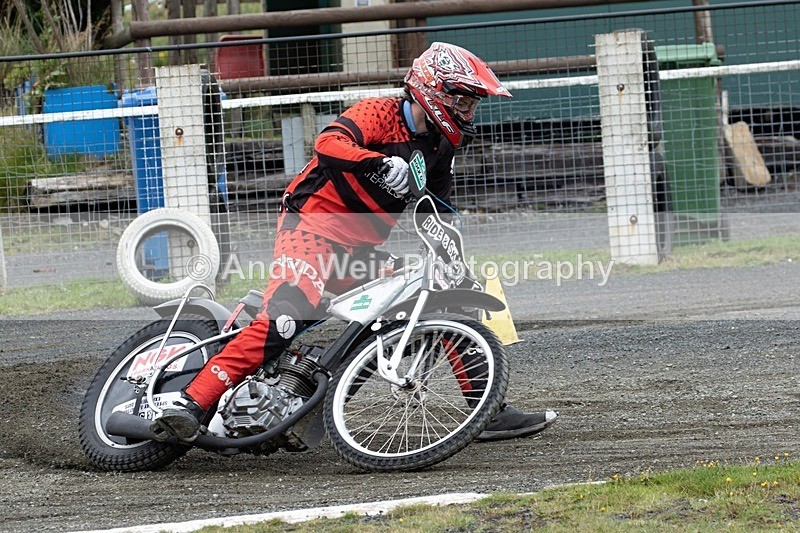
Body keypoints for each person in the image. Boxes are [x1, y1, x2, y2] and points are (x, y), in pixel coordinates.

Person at [152, 42, 557, 444]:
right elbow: (327, 143)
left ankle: (484, 410)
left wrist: (452, 260)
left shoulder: (441, 146)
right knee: (286, 318)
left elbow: (439, 208)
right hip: (310, 229)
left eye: (473, 104)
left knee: (441, 293)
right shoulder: (379, 111)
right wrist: (378, 161)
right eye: (465, 101)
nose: (469, 112)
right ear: (436, 91)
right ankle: (188, 405)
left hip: (358, 253)